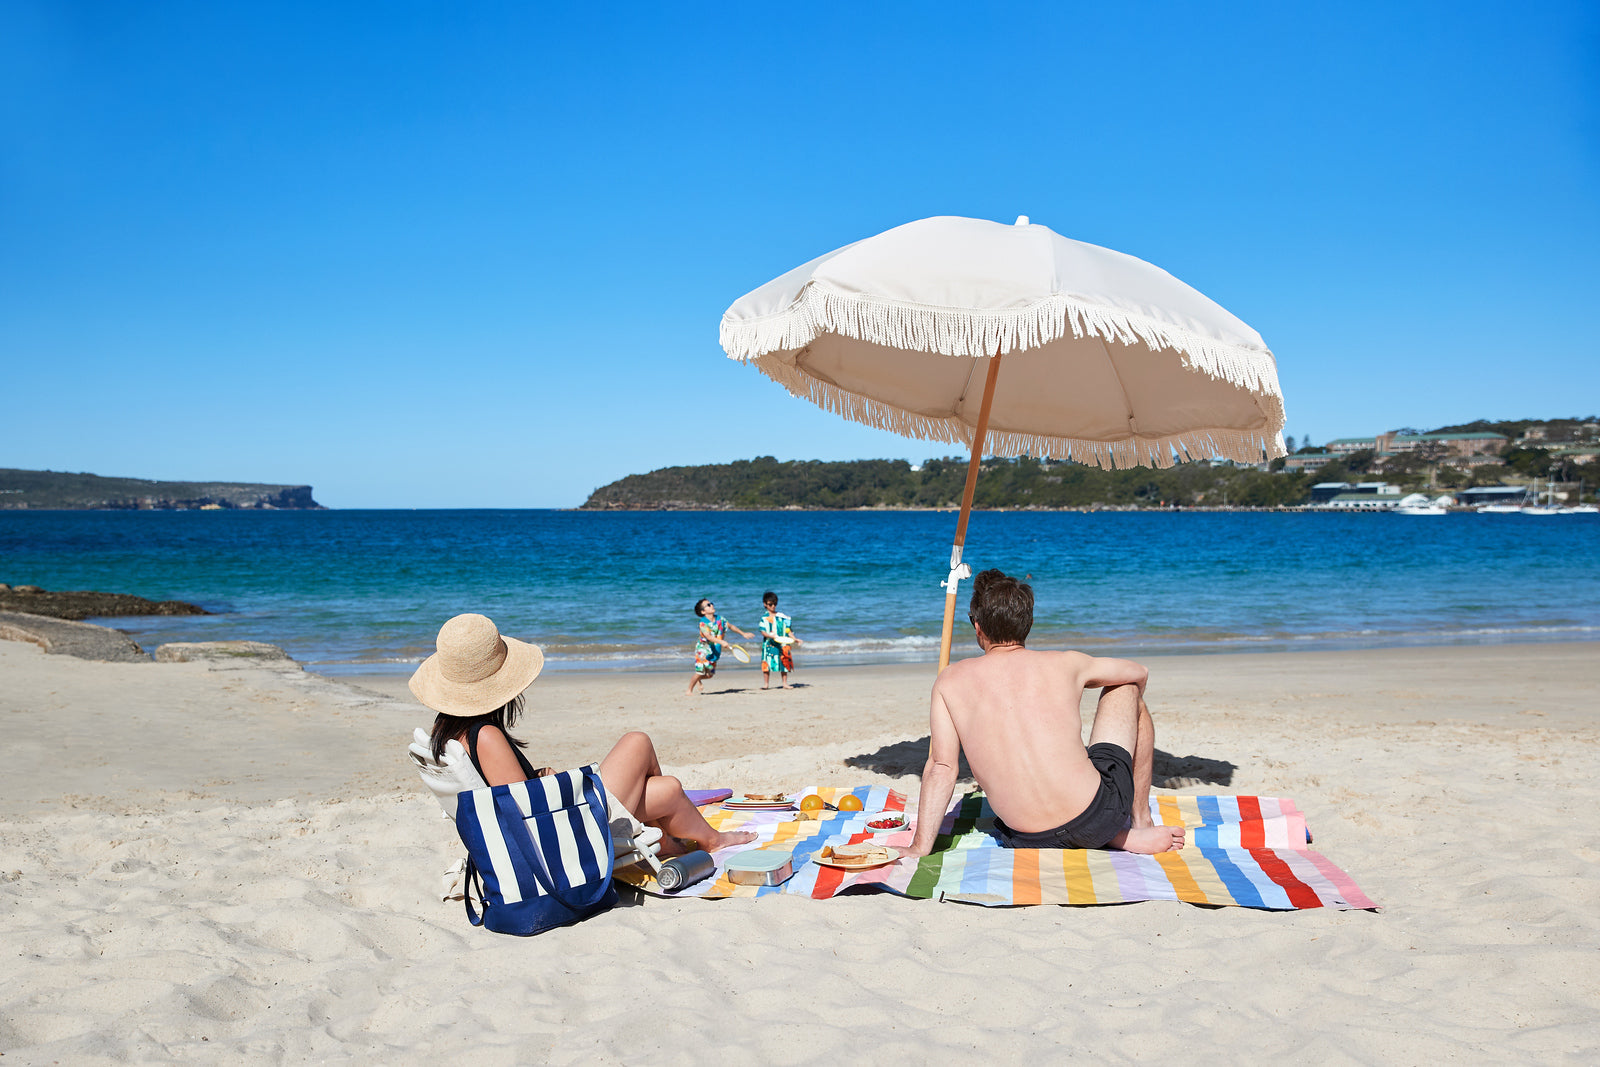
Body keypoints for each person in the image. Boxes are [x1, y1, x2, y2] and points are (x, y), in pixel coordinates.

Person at [413, 613, 756, 854]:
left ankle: (686, 840)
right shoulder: (485, 735)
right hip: (564, 839)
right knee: (637, 741)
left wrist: (538, 776)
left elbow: (506, 794)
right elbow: (527, 811)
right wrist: (565, 783)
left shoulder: (452, 732)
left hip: (549, 832)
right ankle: (690, 839)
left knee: (667, 789)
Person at [899, 570, 1186, 858]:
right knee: (1126, 687)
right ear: (1028, 624)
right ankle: (1138, 822)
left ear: (977, 627)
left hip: (1026, 836)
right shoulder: (1067, 663)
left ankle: (1110, 834)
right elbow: (1140, 672)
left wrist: (920, 846)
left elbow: (943, 768)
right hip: (1098, 817)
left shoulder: (949, 680)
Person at [686, 597, 754, 695]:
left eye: (711, 603)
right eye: (708, 605)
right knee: (700, 672)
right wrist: (721, 642)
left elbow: (731, 626)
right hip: (703, 650)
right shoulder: (703, 623)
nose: (711, 605)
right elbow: (708, 636)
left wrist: (743, 634)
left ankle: (698, 679)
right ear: (703, 612)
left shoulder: (720, 619)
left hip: (715, 650)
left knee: (710, 675)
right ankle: (689, 690)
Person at [757, 590, 804, 689]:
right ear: (765, 604)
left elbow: (788, 631)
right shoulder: (764, 618)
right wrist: (771, 636)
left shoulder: (783, 617)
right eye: (770, 604)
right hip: (769, 643)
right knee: (766, 662)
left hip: (783, 642)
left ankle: (785, 683)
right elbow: (763, 631)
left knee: (784, 661)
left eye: (775, 604)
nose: (773, 606)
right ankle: (766, 684)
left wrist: (795, 639)